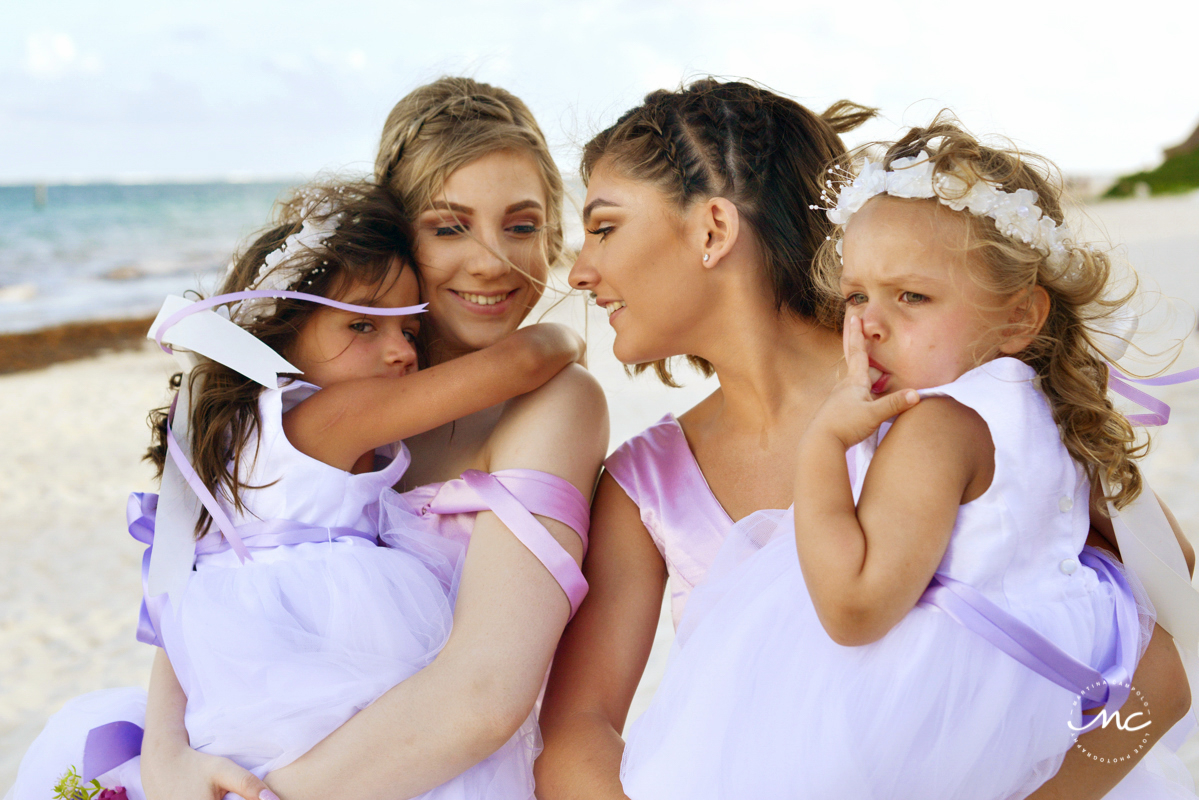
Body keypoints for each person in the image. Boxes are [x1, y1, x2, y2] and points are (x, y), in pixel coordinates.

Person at [539, 79, 1194, 800]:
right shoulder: (646, 481)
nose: (577, 269)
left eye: (602, 227)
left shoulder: (959, 404)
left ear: (712, 230)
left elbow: (1161, 667)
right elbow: (579, 726)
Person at [6, 180, 591, 800]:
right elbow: (524, 365)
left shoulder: (236, 438)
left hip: (240, 670)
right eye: (364, 325)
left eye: (410, 332)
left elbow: (175, 593)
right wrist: (569, 339)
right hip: (317, 652)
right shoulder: (326, 416)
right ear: (284, 334)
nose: (399, 351)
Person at [137, 77, 608, 800]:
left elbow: (482, 695)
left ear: (551, 233)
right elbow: (203, 588)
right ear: (395, 232)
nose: (491, 262)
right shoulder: (335, 403)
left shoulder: (551, 408)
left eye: (521, 226)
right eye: (449, 227)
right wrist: (165, 759)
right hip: (246, 753)